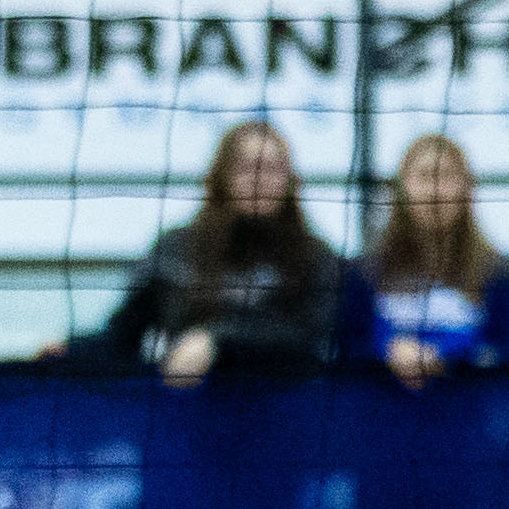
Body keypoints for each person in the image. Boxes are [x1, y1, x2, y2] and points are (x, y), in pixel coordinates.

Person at [85, 120, 339, 384]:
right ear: (222, 176)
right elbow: (122, 334)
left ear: (289, 180)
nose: (260, 179)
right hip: (189, 415)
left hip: (289, 413)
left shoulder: (315, 256)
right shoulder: (176, 250)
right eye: (247, 168)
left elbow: (309, 338)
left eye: (273, 169)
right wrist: (69, 351)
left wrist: (215, 339)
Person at [341, 134, 509, 387]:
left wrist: (447, 359)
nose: (435, 190)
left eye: (447, 177)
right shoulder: (365, 271)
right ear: (402, 187)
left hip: (469, 415)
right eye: (424, 177)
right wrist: (387, 353)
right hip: (382, 415)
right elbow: (346, 351)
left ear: (466, 188)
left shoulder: (496, 272)